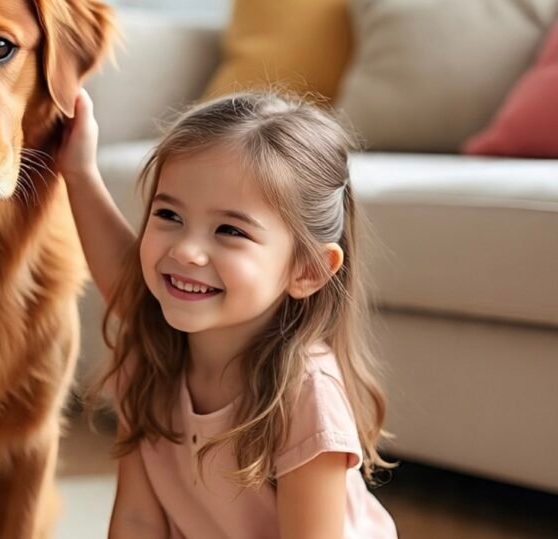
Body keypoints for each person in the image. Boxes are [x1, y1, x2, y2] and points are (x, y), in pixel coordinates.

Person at [58, 89, 398, 538]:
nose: (186, 250)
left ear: (308, 270)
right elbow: (138, 520)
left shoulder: (306, 397)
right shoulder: (148, 361)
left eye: (230, 230)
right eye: (169, 215)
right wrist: (78, 171)